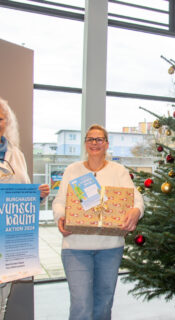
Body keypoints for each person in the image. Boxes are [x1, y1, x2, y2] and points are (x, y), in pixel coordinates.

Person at [52, 124, 144, 320]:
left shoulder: (118, 171)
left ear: (106, 144)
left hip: (110, 248)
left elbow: (136, 199)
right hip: (75, 247)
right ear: (85, 144)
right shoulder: (72, 170)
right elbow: (59, 201)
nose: (95, 143)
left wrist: (136, 211)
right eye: (90, 139)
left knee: (104, 304)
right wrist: (61, 217)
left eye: (99, 139)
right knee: (81, 305)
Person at [0, 97, 50, 320]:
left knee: (3, 298)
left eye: (1, 118)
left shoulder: (16, 155)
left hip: (10, 236)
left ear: (7, 122)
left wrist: (37, 196)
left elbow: (22, 192)